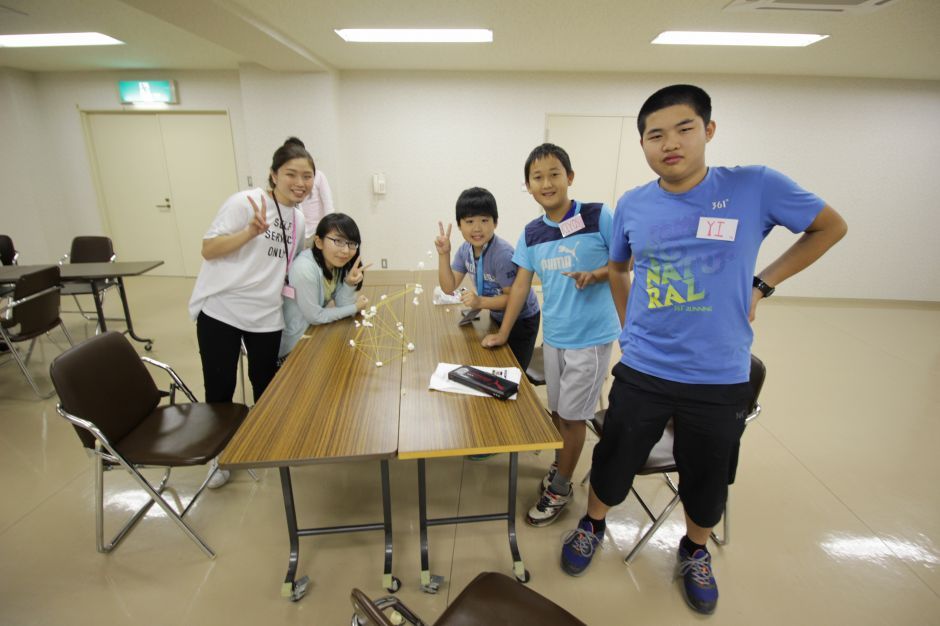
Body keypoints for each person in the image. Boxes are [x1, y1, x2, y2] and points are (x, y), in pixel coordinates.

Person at [559, 84, 848, 615]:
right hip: (644, 367)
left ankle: (694, 549)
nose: (670, 143)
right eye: (655, 135)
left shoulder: (753, 186)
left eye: (684, 129)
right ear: (643, 144)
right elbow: (619, 267)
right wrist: (630, 323)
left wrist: (763, 284)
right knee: (615, 455)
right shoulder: (634, 204)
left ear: (708, 131)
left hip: (718, 374)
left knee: (708, 473)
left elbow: (830, 226)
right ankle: (592, 523)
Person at [482, 144, 620, 526]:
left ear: (570, 177)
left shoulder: (598, 216)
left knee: (574, 419)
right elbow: (521, 288)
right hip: (556, 335)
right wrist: (504, 333)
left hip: (591, 338)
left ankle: (561, 486)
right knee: (559, 412)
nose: (547, 182)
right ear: (527, 186)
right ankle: (564, 461)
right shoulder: (531, 233)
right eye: (537, 177)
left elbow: (628, 259)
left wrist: (597, 274)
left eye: (554, 174)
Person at [188, 137, 312, 488]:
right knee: (221, 387)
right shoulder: (245, 203)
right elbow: (209, 249)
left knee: (268, 386)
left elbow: (288, 268)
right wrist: (248, 232)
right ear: (274, 174)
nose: (300, 183)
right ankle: (218, 456)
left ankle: (270, 443)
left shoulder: (299, 220)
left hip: (267, 314)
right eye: (291, 174)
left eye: (307, 176)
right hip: (222, 311)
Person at [435, 186, 541, 372]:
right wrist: (444, 254)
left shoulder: (502, 255)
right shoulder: (465, 250)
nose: (477, 228)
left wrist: (480, 301)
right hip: (497, 313)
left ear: (495, 223)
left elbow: (513, 299)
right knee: (494, 363)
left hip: (522, 319)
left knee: (514, 373)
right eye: (469, 221)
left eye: (484, 220)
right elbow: (448, 287)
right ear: (459, 225)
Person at [279, 213, 370, 359]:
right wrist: (355, 307)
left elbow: (342, 304)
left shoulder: (335, 263)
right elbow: (315, 316)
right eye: (338, 241)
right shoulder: (304, 268)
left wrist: (349, 284)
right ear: (319, 242)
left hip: (315, 335)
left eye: (351, 243)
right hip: (294, 349)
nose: (346, 250)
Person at [288, 138, 335, 241]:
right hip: (296, 233)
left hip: (317, 231)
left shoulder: (318, 176)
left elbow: (328, 204)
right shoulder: (286, 180)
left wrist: (328, 231)